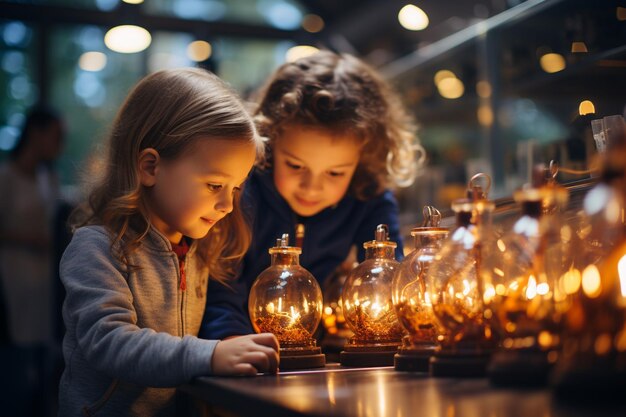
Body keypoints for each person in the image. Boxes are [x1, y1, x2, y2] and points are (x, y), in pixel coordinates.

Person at [58, 68, 279, 417]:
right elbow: (108, 341)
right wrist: (209, 355)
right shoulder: (96, 248)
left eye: (236, 188)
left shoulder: (196, 251)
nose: (227, 205)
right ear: (150, 167)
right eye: (214, 185)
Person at [200, 50, 425, 340]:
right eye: (294, 165)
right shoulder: (242, 192)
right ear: (268, 143)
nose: (311, 187)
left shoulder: (369, 196)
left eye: (335, 173)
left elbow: (391, 277)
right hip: (237, 348)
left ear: (363, 161)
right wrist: (232, 341)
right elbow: (221, 287)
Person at [0, 105, 65, 417]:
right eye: (54, 135)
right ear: (35, 134)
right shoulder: (6, 176)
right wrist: (32, 239)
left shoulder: (47, 177)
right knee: (15, 358)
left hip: (43, 280)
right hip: (12, 278)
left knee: (41, 357)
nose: (59, 143)